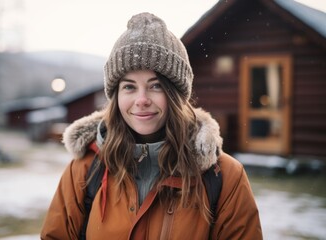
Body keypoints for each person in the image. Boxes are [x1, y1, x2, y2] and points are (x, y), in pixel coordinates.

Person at [40, 12, 263, 239]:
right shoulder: (85, 170)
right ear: (115, 96)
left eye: (155, 86)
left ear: (176, 95)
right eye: (129, 87)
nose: (142, 99)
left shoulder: (224, 177)